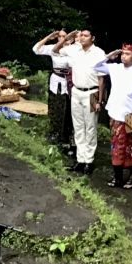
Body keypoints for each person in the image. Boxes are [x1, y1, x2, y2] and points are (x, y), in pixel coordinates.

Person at [51, 29, 107, 175]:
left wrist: (100, 101)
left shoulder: (98, 53)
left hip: (92, 91)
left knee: (90, 127)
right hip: (76, 91)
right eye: (80, 35)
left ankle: (89, 160)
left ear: (92, 38)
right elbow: (55, 50)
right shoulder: (74, 50)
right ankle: (80, 159)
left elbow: (101, 79)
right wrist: (66, 38)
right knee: (78, 126)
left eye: (86, 35)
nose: (82, 37)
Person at [94, 44, 132, 189]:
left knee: (130, 148)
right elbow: (95, 66)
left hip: (130, 116)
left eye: (127, 54)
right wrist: (109, 55)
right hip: (115, 114)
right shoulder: (115, 68)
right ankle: (117, 177)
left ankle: (131, 176)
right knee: (116, 146)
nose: (124, 56)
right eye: (122, 53)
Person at [32, 30, 75, 152]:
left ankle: (67, 136)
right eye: (60, 36)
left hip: (69, 82)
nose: (62, 38)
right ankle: (55, 133)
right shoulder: (53, 48)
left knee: (68, 110)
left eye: (64, 37)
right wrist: (49, 37)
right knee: (55, 107)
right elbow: (36, 49)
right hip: (56, 81)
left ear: (69, 39)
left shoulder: (73, 50)